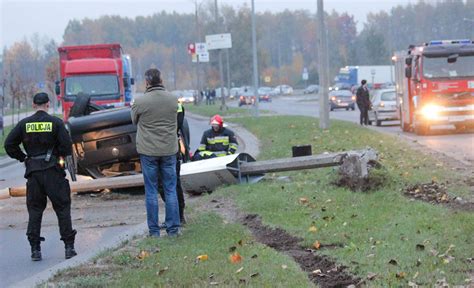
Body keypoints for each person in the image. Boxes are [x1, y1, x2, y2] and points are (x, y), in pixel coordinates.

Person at [4, 92, 77, 261]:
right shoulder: (56, 123)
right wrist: (56, 154)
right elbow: (67, 147)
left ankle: (35, 250)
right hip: (53, 172)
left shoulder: (24, 124)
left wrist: (23, 157)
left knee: (35, 211)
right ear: (48, 104)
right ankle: (68, 247)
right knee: (62, 208)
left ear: (33, 105)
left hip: (34, 174)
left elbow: (9, 145)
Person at [131, 68, 180, 237]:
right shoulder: (173, 100)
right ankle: (173, 229)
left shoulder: (140, 101)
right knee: (170, 189)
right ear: (161, 80)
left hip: (148, 150)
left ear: (147, 82)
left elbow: (133, 120)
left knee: (151, 191)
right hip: (169, 149)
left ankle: (154, 231)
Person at [158, 102, 187, 226]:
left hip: (164, 148)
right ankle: (178, 216)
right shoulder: (175, 104)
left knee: (168, 185)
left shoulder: (158, 104)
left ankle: (177, 217)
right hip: (170, 147)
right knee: (173, 184)